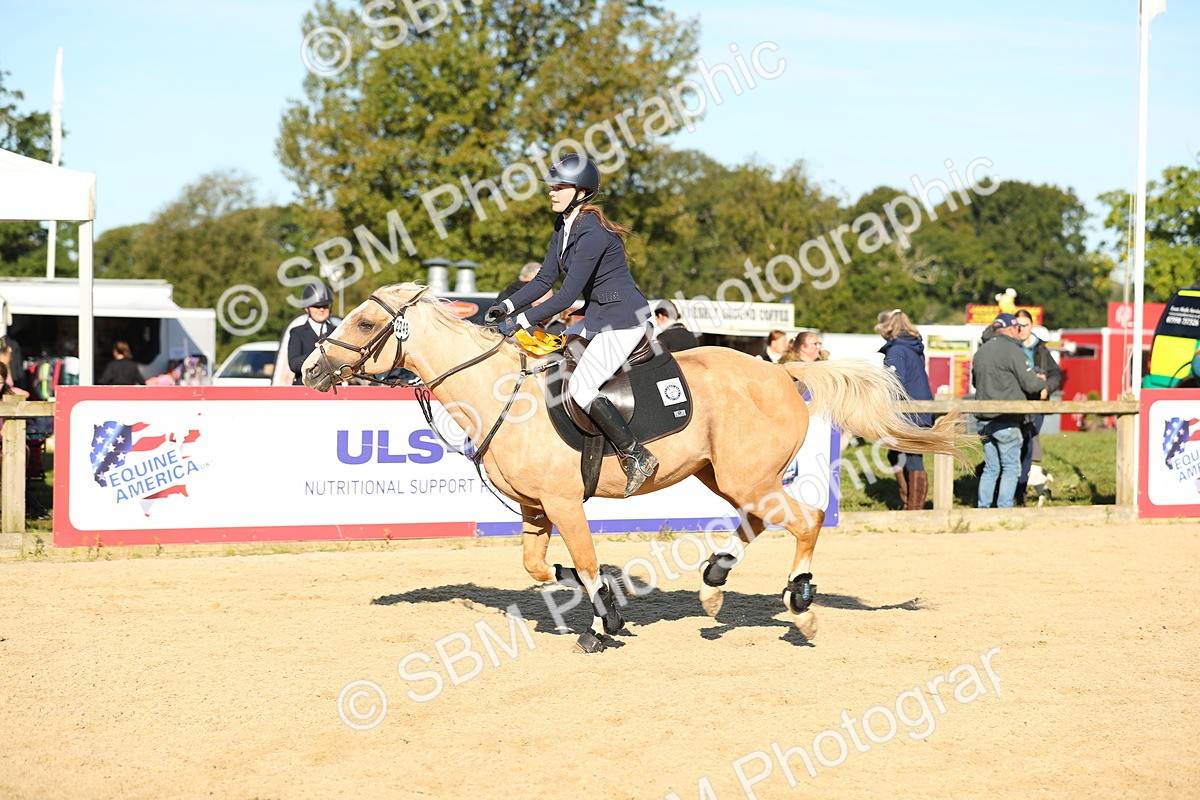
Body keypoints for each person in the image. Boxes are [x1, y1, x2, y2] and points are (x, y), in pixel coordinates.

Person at [485, 153, 658, 497]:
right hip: (597, 318)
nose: (552, 191)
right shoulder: (563, 226)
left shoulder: (592, 232)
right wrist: (505, 306)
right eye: (552, 186)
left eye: (559, 186)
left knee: (581, 387)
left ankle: (637, 455)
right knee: (549, 365)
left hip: (623, 321)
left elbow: (565, 297)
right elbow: (543, 279)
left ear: (580, 192)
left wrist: (519, 321)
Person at [971, 313, 1047, 509]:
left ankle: (983, 507)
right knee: (1011, 468)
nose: (1018, 331)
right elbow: (1030, 383)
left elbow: (974, 382)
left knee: (991, 468)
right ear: (1010, 329)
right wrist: (1041, 381)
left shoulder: (981, 352)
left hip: (983, 421)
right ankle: (1004, 509)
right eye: (1016, 328)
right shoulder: (1013, 351)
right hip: (1007, 420)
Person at [876, 310, 934, 510]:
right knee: (900, 454)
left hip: (908, 413)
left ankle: (914, 508)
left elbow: (893, 384)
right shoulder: (913, 348)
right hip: (920, 410)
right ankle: (910, 502)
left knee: (910, 457)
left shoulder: (897, 351)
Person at [1013, 309, 1063, 505]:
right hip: (1016, 402)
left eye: (1024, 325)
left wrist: (1047, 387)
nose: (1020, 329)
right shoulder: (1011, 347)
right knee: (1013, 447)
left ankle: (1021, 490)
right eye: (1017, 325)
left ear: (1031, 326)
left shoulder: (1041, 349)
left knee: (1028, 447)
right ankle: (1011, 491)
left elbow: (1056, 374)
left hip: (1036, 405)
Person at [288, 282, 339, 385]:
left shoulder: (337, 331)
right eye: (316, 306)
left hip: (333, 386)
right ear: (307, 308)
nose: (321, 309)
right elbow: (294, 364)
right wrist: (320, 355)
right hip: (305, 386)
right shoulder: (297, 332)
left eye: (325, 305)